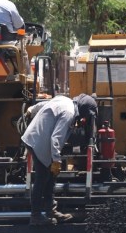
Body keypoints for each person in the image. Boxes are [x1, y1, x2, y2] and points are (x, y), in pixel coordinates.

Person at [21, 93, 98, 226]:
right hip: (39, 142)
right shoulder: (69, 113)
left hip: (34, 138)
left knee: (51, 176)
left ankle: (51, 210)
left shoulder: (64, 100)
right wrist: (56, 160)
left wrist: (32, 109)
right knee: (42, 178)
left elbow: (44, 105)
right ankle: (36, 216)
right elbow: (56, 138)